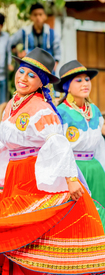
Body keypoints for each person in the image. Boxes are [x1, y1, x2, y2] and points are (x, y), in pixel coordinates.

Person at [0, 48, 105, 274]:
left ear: (41, 82)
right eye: (22, 71)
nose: (23, 78)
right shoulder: (13, 104)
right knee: (13, 228)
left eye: (31, 75)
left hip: (31, 176)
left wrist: (71, 179)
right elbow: (1, 138)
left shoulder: (41, 108)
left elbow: (58, 143)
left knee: (28, 230)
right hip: (14, 175)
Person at [55, 60, 105, 208]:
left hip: (95, 169)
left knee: (99, 211)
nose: (85, 83)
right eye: (78, 80)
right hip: (73, 171)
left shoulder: (94, 110)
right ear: (67, 86)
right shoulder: (60, 112)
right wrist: (69, 177)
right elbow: (58, 148)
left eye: (87, 79)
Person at [11, 2, 61, 71]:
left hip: (47, 70)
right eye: (35, 15)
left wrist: (55, 64)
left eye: (40, 14)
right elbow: (10, 43)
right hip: (29, 68)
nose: (38, 17)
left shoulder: (52, 33)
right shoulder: (24, 32)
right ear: (31, 17)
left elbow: (57, 51)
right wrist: (18, 53)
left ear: (45, 16)